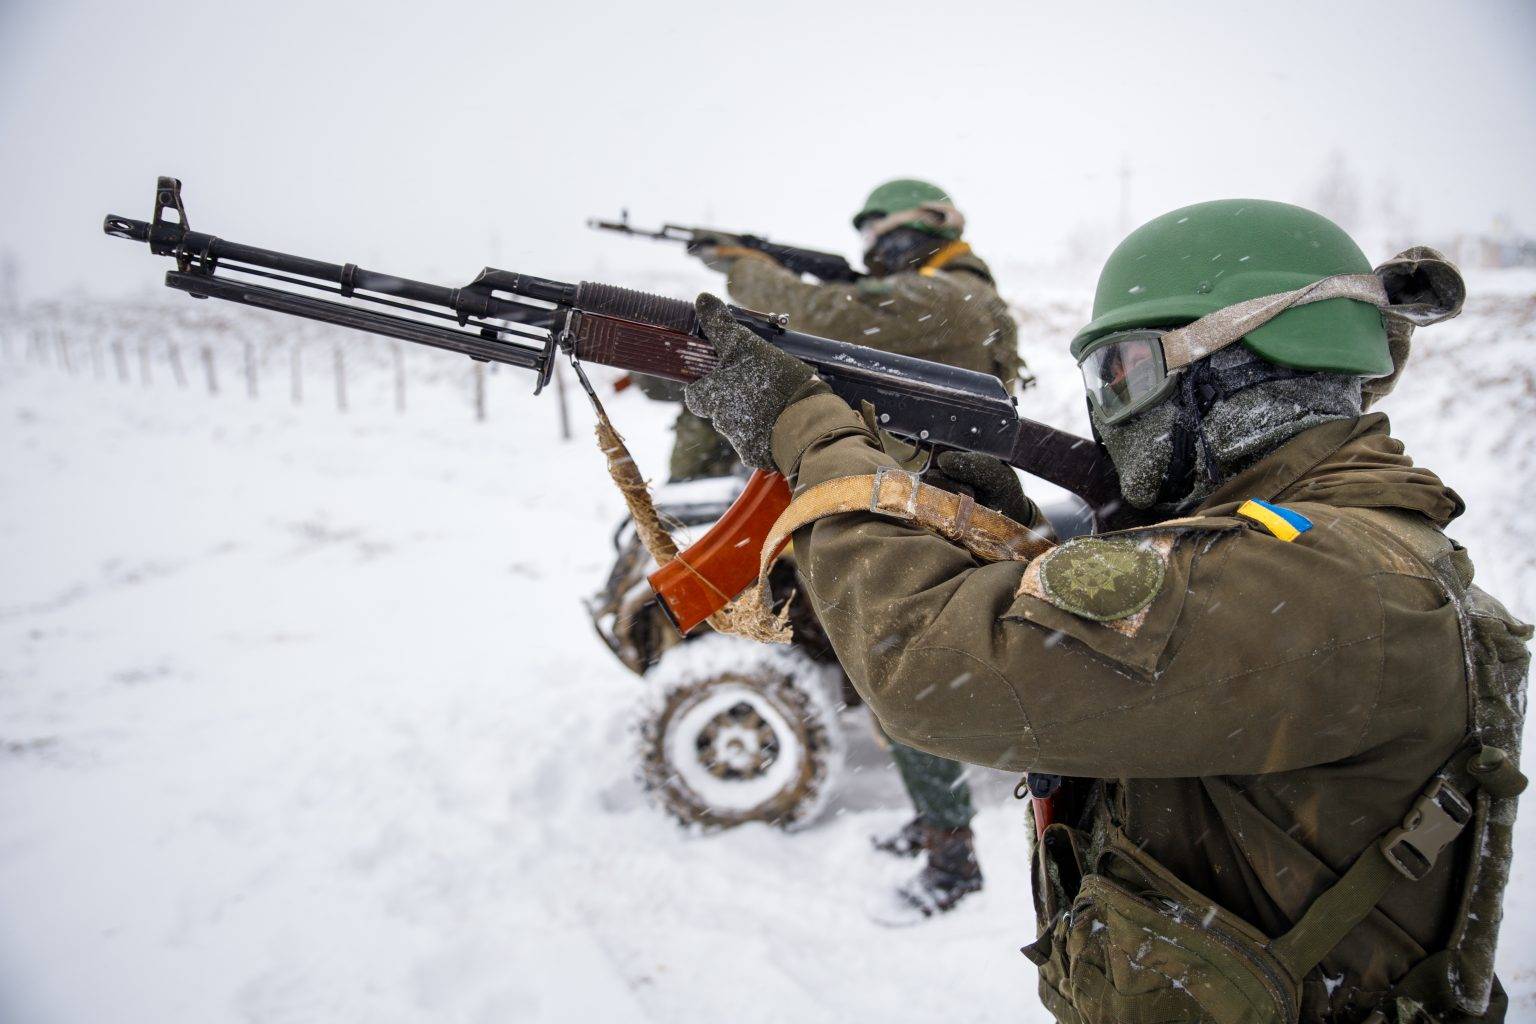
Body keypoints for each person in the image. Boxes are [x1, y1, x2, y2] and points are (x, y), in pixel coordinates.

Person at [680, 198, 1530, 1022]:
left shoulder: (1326, 580)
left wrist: (814, 438)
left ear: (1236, 367)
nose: (1108, 409)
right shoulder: (1327, 550)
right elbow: (1114, 651)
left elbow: (929, 666)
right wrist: (982, 522)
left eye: (1123, 373)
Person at [683, 179, 1027, 921]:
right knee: (886, 669)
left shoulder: (958, 295)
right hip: (914, 496)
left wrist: (745, 266)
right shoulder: (928, 296)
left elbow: (821, 316)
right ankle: (935, 822)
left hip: (939, 505)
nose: (875, 246)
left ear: (941, 226)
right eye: (867, 236)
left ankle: (954, 860)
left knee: (909, 674)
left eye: (888, 231)